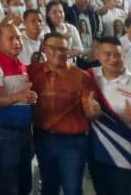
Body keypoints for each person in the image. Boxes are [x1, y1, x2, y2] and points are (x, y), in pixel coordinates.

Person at [27, 32, 101, 195]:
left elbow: (89, 110)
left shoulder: (82, 77)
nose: (59, 53)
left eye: (64, 49)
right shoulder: (32, 71)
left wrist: (93, 110)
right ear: (44, 49)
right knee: (48, 186)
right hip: (43, 137)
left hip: (73, 142)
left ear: (69, 52)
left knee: (72, 188)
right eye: (53, 48)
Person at [0, 23, 38, 195]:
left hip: (24, 130)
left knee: (24, 179)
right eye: (11, 38)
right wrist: (19, 97)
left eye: (19, 38)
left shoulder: (22, 65)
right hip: (5, 131)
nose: (17, 42)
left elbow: (23, 97)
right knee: (9, 180)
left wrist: (30, 97)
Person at [87, 37, 131, 191]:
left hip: (126, 157)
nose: (113, 59)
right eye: (107, 54)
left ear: (124, 56)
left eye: (117, 55)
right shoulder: (88, 77)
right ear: (98, 55)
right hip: (98, 154)